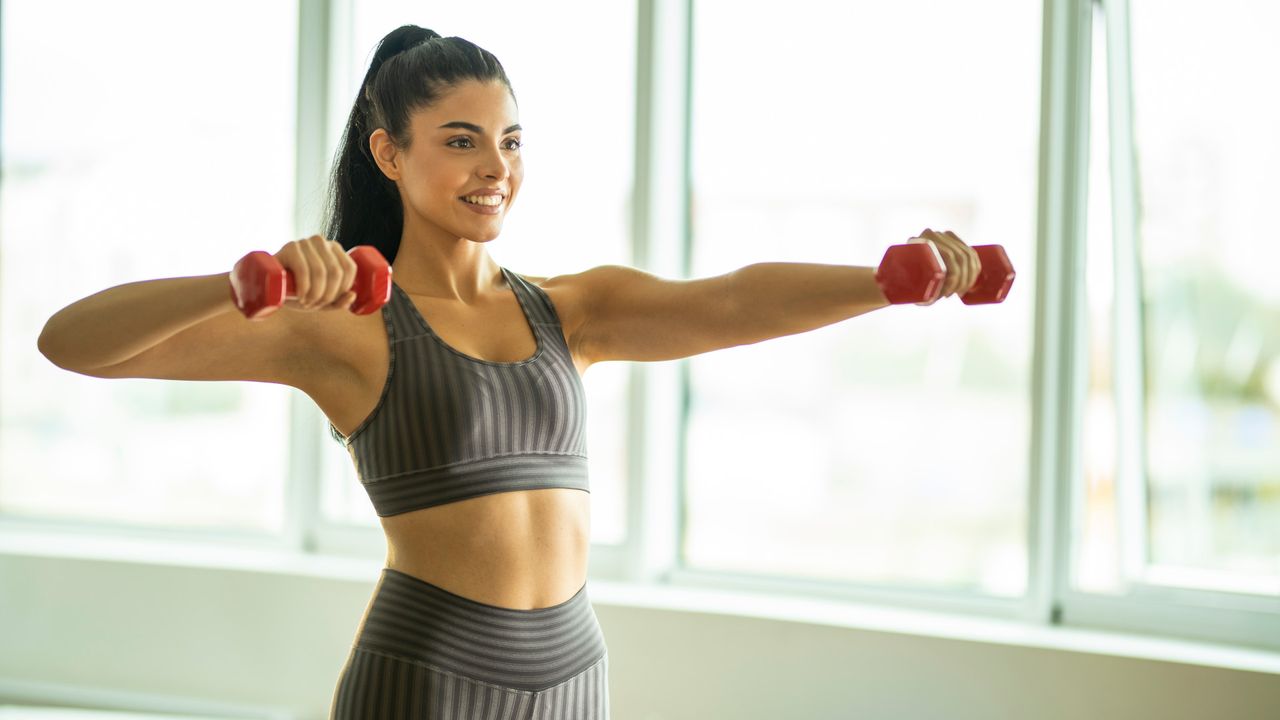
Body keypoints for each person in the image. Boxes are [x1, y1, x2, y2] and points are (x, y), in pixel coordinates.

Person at [36, 23, 983, 720]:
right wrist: (236, 285)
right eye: (460, 140)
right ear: (389, 154)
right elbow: (71, 344)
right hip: (428, 682)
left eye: (510, 139)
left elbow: (731, 301)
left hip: (576, 678)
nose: (496, 166)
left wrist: (890, 280)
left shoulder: (571, 310)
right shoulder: (346, 329)